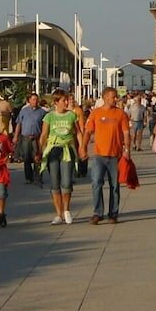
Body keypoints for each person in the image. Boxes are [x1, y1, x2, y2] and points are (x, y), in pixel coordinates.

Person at [79, 86, 131, 224]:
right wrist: (83, 147)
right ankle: (98, 213)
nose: (116, 99)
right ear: (105, 98)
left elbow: (126, 133)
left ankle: (113, 213)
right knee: (96, 183)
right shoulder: (95, 113)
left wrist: (127, 151)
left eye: (116, 97)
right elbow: (88, 132)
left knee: (114, 185)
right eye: (113, 97)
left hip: (115, 155)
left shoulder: (121, 114)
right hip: (99, 155)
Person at [36, 89, 80, 225]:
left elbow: (77, 132)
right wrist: (39, 151)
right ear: (56, 102)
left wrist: (82, 148)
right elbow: (44, 135)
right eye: (63, 100)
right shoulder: (49, 117)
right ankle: (58, 214)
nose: (66, 102)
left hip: (67, 149)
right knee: (55, 183)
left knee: (66, 182)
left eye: (67, 100)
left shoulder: (71, 115)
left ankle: (66, 209)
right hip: (53, 149)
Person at [11, 93, 46, 184]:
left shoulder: (42, 112)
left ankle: (37, 177)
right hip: (26, 138)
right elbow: (19, 123)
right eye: (33, 99)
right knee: (26, 158)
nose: (35, 101)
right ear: (29, 100)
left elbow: (45, 126)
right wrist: (15, 136)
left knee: (37, 158)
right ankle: (28, 178)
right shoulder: (24, 111)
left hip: (37, 138)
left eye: (36, 99)